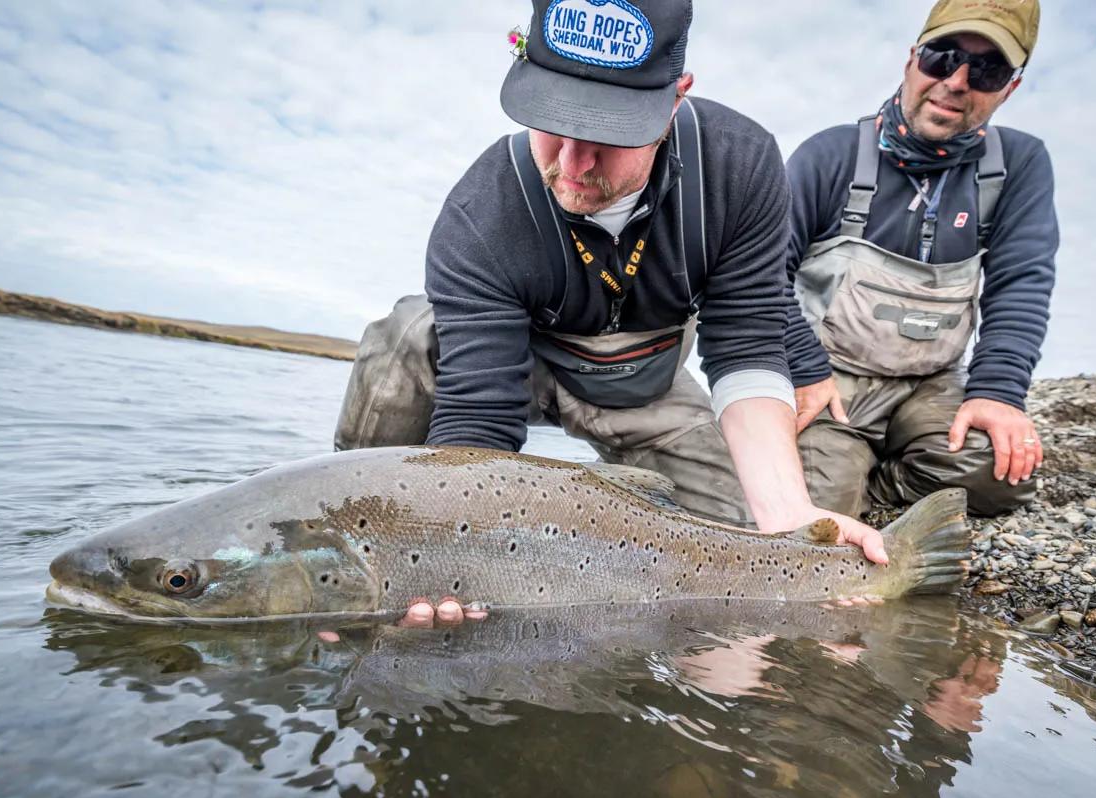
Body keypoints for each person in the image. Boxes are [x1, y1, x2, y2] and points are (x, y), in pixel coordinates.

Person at [334, 0, 886, 625]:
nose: (572, 163)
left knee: (745, 552)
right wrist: (440, 554)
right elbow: (479, 415)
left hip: (643, 382)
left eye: (608, 129)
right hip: (518, 366)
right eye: (552, 120)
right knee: (410, 330)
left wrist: (788, 515)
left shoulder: (740, 165)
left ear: (676, 99)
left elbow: (746, 343)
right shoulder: (480, 212)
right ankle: (352, 533)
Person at [786, 0, 1057, 518]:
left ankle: (877, 485)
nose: (956, 81)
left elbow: (1021, 284)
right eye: (941, 57)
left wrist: (998, 393)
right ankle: (845, 466)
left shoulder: (1018, 165)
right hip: (829, 378)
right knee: (813, 513)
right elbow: (758, 275)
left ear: (1011, 87)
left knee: (998, 477)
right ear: (912, 59)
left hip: (929, 383)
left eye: (987, 69)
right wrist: (802, 368)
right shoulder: (831, 154)